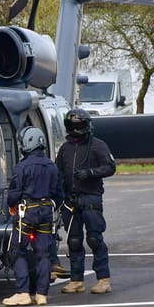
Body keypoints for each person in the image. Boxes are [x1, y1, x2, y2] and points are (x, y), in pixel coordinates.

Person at [55, 108, 116, 294]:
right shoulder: (65, 148)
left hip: (91, 197)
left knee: (94, 239)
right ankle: (76, 280)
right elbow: (58, 173)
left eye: (80, 125)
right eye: (74, 125)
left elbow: (110, 167)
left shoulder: (98, 145)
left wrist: (90, 173)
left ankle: (103, 279)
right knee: (73, 241)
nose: (77, 129)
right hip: (70, 200)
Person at [2, 126, 63, 306]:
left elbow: (13, 194)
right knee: (43, 254)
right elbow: (59, 194)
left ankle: (22, 292)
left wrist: (12, 205)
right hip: (46, 212)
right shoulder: (52, 166)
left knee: (17, 251)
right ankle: (41, 294)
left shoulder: (22, 167)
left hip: (27, 212)